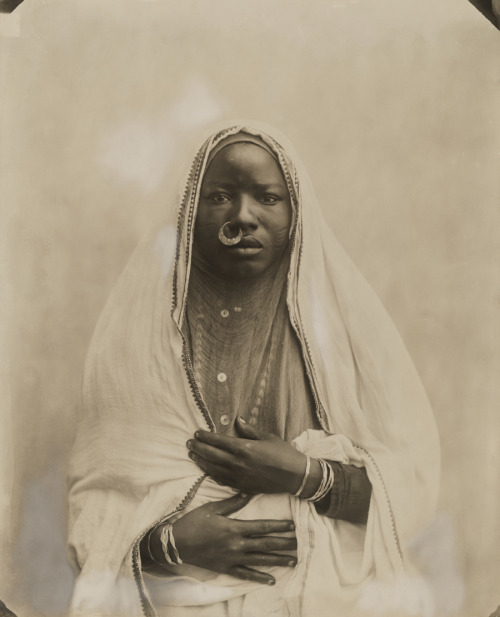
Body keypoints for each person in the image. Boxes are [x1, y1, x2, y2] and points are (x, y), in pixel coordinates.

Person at [67, 123, 440, 617]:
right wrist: (166, 546)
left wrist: (307, 476)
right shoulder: (138, 342)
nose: (243, 216)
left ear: (297, 211)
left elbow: (411, 494)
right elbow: (98, 500)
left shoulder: (348, 334)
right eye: (219, 196)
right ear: (189, 211)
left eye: (267, 197)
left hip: (331, 594)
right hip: (173, 597)